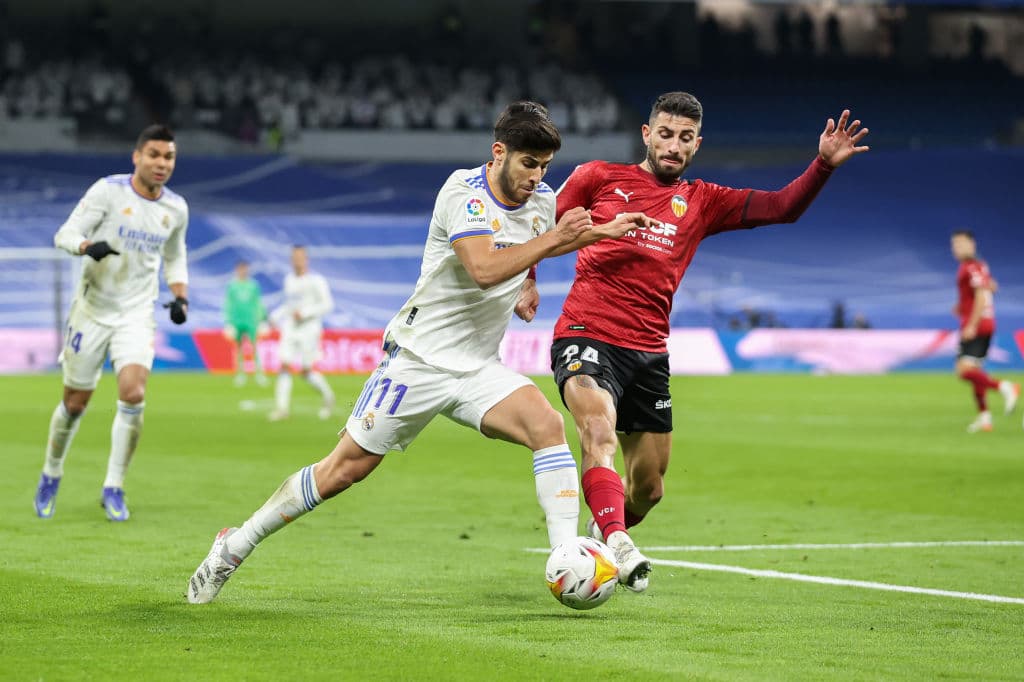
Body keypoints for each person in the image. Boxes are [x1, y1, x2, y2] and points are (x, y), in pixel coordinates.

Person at [186, 101, 653, 604]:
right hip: (419, 360)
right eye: (527, 164)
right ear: (499, 153)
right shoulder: (463, 194)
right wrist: (557, 239)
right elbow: (483, 269)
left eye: (544, 167)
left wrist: (590, 236)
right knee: (343, 470)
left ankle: (567, 556)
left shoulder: (540, 201)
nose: (537, 177)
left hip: (478, 366)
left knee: (547, 426)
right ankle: (232, 547)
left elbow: (539, 239)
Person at [531, 91, 871, 591]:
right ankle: (619, 546)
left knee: (648, 489)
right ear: (647, 134)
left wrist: (822, 165)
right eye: (665, 134)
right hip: (586, 333)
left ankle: (606, 527)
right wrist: (528, 279)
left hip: (648, 352)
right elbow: (539, 226)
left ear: (697, 144)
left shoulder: (703, 201)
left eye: (685, 138)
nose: (673, 145)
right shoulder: (598, 176)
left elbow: (780, 207)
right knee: (597, 432)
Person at [34, 124, 189, 522]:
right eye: (153, 154)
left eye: (168, 157)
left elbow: (174, 256)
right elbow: (64, 233)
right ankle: (51, 472)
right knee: (75, 403)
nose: (161, 163)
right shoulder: (108, 191)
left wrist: (180, 295)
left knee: (133, 394)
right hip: (92, 310)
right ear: (136, 156)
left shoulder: (176, 210)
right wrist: (87, 246)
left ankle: (114, 486)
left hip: (136, 314)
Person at [950, 230, 1019, 433]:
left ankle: (1005, 387)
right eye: (954, 244)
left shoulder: (970, 267)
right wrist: (961, 306)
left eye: (961, 243)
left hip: (978, 324)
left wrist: (971, 323)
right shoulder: (979, 265)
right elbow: (991, 286)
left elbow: (981, 294)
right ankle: (985, 418)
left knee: (963, 371)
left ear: (972, 244)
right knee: (974, 371)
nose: (957, 248)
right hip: (984, 322)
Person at [267, 245, 335, 421]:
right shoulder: (289, 280)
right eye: (294, 257)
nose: (297, 260)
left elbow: (327, 304)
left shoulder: (316, 281)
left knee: (306, 371)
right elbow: (289, 305)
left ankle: (328, 397)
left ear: (306, 259)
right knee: (284, 365)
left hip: (309, 329)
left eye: (300, 257)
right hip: (290, 327)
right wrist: (275, 316)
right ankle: (282, 409)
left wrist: (305, 313)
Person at [223, 259, 268, 387]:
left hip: (251, 320)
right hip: (237, 320)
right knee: (238, 348)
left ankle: (259, 373)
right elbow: (228, 304)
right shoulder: (232, 286)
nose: (243, 271)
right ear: (237, 270)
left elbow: (258, 303)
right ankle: (240, 373)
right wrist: (228, 321)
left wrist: (262, 318)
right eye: (241, 269)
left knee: (254, 346)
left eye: (245, 268)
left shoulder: (253, 285)